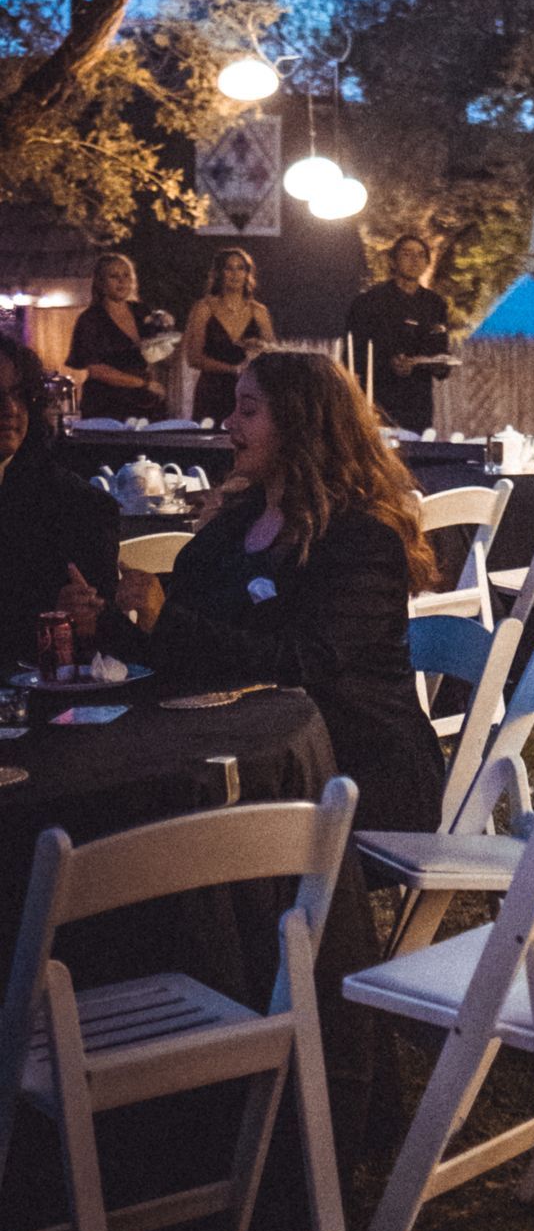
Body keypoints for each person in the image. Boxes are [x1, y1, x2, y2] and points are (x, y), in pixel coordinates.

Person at [58, 348, 444, 833]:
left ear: (300, 425)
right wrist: (108, 624)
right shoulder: (236, 523)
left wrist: (166, 618)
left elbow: (300, 661)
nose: (228, 422)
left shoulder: (360, 538)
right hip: (242, 752)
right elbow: (190, 648)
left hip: (351, 769)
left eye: (248, 410)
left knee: (168, 821)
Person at [0, 336, 119, 669]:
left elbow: (100, 630)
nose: (10, 409)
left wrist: (83, 613)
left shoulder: (78, 506)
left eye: (20, 394)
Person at [346, 234, 452, 435]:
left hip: (418, 402)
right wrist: (388, 362)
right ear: (393, 261)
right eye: (407, 254)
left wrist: (439, 365)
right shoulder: (369, 301)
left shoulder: (434, 304)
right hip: (378, 398)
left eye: (421, 255)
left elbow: (440, 350)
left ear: (427, 262)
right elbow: (352, 354)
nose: (415, 260)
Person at [66, 252, 176, 422]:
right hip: (107, 404)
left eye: (126, 275)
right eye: (114, 276)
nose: (121, 281)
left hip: (146, 401)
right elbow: (97, 370)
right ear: (101, 283)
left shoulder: (141, 312)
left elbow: (159, 353)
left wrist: (166, 329)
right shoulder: (91, 319)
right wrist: (142, 384)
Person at [182, 245, 276, 427]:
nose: (235, 274)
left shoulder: (259, 311)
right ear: (219, 273)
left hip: (249, 391)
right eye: (229, 268)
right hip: (212, 391)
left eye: (240, 268)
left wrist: (257, 347)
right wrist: (233, 369)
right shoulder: (204, 308)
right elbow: (193, 358)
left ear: (248, 273)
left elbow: (271, 355)